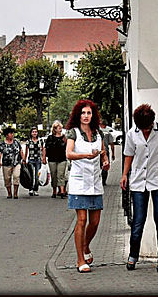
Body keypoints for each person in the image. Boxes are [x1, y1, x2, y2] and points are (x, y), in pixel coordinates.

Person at [120, 103, 158, 273]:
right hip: (139, 181)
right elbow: (128, 155)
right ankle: (133, 256)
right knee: (138, 220)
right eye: (143, 129)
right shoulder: (132, 134)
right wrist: (124, 174)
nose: (146, 131)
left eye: (148, 128)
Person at [65, 99, 109, 273]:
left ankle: (85, 245)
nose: (86, 116)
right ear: (78, 114)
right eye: (83, 113)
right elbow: (69, 153)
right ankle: (80, 260)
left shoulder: (99, 134)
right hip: (79, 182)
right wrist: (86, 156)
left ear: (93, 115)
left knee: (95, 221)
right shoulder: (73, 133)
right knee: (82, 220)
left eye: (89, 113)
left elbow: (103, 152)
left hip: (95, 182)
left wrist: (105, 161)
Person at [0, 126, 23, 198]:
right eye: (11, 133)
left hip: (16, 163)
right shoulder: (3, 144)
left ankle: (15, 193)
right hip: (6, 164)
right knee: (7, 179)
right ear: (6, 135)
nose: (12, 135)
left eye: (12, 133)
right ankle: (9, 193)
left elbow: (20, 150)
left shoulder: (16, 142)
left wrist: (23, 159)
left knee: (16, 176)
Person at [44, 120, 68, 198]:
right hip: (52, 159)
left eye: (61, 128)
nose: (60, 129)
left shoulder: (64, 137)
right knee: (53, 175)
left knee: (61, 175)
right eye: (58, 128)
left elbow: (68, 147)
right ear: (54, 129)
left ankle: (62, 192)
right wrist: (44, 157)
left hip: (62, 158)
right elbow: (45, 148)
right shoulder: (50, 138)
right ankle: (54, 191)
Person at [23, 127, 44, 196]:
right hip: (31, 159)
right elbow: (26, 151)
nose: (34, 133)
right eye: (33, 132)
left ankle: (36, 189)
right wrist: (24, 159)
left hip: (38, 159)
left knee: (37, 175)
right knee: (31, 175)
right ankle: (30, 189)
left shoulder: (40, 141)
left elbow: (43, 150)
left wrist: (44, 158)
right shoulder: (28, 141)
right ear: (31, 133)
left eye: (36, 132)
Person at [100, 120, 116, 185]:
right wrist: (113, 154)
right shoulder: (108, 132)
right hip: (105, 151)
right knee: (105, 166)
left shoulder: (96, 130)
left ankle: (99, 180)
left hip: (98, 152)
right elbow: (112, 144)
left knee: (98, 166)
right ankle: (103, 181)